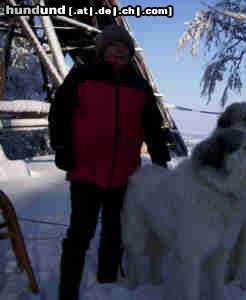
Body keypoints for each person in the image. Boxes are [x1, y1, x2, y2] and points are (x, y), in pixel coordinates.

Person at [49, 24, 171, 300]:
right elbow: (59, 114)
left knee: (115, 232)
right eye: (114, 46)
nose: (119, 51)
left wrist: (160, 155)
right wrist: (62, 147)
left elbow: (152, 124)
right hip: (85, 170)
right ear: (103, 49)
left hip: (125, 174)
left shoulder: (139, 85)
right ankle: (67, 291)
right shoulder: (82, 76)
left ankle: (107, 283)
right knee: (80, 234)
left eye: (124, 48)